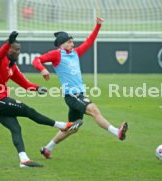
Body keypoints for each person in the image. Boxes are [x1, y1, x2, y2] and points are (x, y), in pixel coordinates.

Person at [0, 31, 82, 168]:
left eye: (19, 50)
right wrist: (8, 43)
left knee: (16, 129)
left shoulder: (12, 66)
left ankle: (24, 160)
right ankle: (62, 125)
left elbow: (24, 83)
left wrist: (37, 88)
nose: (17, 52)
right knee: (27, 110)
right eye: (15, 49)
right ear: (8, 48)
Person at [32, 17, 128, 159]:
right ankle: (117, 132)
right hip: (73, 96)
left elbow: (89, 41)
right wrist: (42, 69)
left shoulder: (75, 53)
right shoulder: (57, 54)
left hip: (77, 95)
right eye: (69, 41)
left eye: (72, 41)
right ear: (61, 45)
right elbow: (36, 60)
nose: (72, 43)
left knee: (71, 128)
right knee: (94, 110)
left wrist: (98, 26)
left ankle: (47, 148)